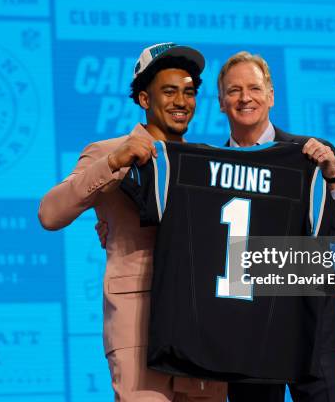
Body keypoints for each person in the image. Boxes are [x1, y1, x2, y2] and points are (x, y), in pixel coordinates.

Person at [38, 43, 227, 401]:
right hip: (138, 326)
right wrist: (114, 164)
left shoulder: (208, 163)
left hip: (201, 327)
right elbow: (49, 213)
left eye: (188, 92)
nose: (180, 102)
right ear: (143, 98)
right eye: (168, 91)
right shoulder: (108, 151)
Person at [219, 51, 335, 401]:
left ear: (271, 95)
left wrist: (334, 179)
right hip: (247, 334)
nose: (245, 98)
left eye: (254, 88)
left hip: (316, 331)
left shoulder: (312, 154)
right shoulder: (213, 168)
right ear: (221, 102)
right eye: (233, 90)